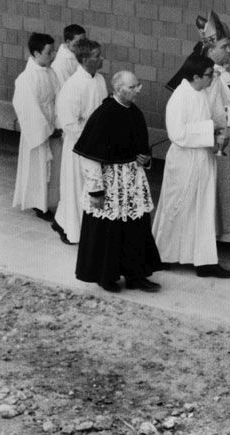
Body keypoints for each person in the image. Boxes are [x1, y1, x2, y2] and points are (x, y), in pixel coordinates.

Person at [168, 10, 230, 244]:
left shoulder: (229, 75)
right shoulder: (207, 78)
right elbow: (209, 113)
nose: (229, 50)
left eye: (229, 45)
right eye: (224, 46)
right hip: (223, 138)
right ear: (210, 50)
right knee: (226, 187)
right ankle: (228, 235)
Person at [73, 70, 162, 293]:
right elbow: (90, 156)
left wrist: (145, 158)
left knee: (135, 227)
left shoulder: (135, 112)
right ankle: (106, 275)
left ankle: (136, 275)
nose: (138, 90)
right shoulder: (104, 114)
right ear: (118, 89)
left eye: (138, 85)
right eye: (132, 87)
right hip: (110, 182)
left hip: (132, 180)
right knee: (108, 230)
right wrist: (96, 190)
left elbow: (141, 148)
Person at [152, 54, 230, 279]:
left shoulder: (201, 92)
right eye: (209, 75)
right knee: (178, 207)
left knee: (203, 210)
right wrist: (210, 133)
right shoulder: (180, 97)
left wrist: (217, 132)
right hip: (184, 160)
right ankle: (163, 254)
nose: (212, 79)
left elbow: (204, 122)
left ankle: (204, 261)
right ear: (196, 76)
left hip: (202, 157)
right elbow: (177, 133)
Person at [51, 39, 107, 245]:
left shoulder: (99, 80)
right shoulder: (72, 86)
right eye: (97, 56)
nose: (101, 59)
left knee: (89, 188)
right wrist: (90, 138)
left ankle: (68, 223)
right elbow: (69, 123)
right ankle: (70, 229)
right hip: (79, 146)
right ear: (84, 59)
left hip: (96, 145)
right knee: (75, 188)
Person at [12, 32, 62, 221]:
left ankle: (50, 200)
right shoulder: (26, 78)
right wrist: (47, 130)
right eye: (49, 52)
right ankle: (38, 205)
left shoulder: (50, 72)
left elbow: (59, 97)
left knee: (53, 168)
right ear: (36, 53)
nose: (53, 56)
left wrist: (57, 123)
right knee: (38, 168)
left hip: (52, 124)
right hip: (39, 130)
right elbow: (28, 108)